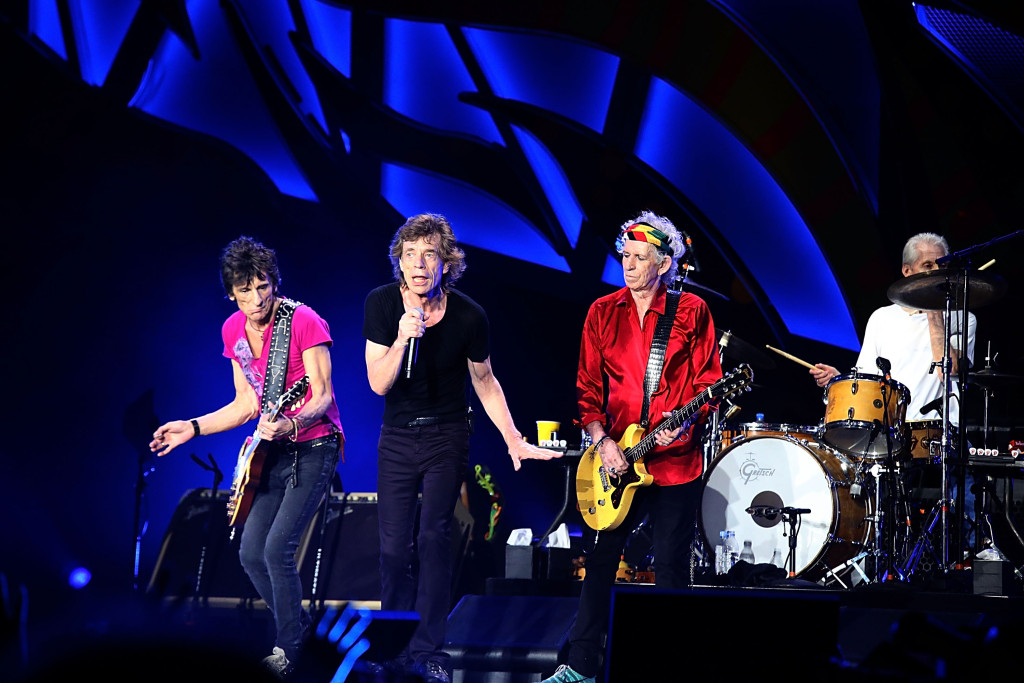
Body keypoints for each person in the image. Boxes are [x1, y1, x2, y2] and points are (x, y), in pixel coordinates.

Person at [362, 213, 561, 683]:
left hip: (447, 435)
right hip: (397, 437)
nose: (418, 264)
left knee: (434, 538)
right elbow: (377, 383)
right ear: (399, 261)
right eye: (410, 255)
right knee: (393, 549)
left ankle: (430, 651)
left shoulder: (470, 316)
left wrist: (513, 438)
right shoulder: (381, 303)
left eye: (429, 254)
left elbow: (485, 382)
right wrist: (401, 339)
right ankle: (392, 648)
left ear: (446, 263)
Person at [150, 236, 343, 678]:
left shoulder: (304, 320)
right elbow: (246, 403)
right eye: (245, 291)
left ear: (274, 283)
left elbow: (322, 395)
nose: (257, 299)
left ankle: (288, 650)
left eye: (263, 287)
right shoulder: (232, 330)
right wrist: (192, 427)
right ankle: (303, 634)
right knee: (252, 552)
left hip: (315, 445)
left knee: (277, 549)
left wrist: (292, 423)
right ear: (232, 293)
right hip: (270, 453)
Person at [543, 211, 723, 683]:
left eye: (640, 257)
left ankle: (665, 668)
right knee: (601, 561)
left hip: (675, 463)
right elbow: (587, 388)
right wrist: (602, 441)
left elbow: (709, 384)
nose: (629, 264)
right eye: (625, 255)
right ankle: (580, 665)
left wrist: (682, 427)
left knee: (670, 567)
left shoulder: (692, 310)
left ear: (663, 263)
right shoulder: (602, 311)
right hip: (616, 461)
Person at [810, 232, 977, 427]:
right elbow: (868, 382)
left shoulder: (963, 318)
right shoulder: (881, 318)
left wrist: (934, 310)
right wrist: (839, 381)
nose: (937, 272)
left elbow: (950, 371)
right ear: (907, 271)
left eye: (942, 266)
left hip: (939, 430)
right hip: (891, 431)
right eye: (928, 265)